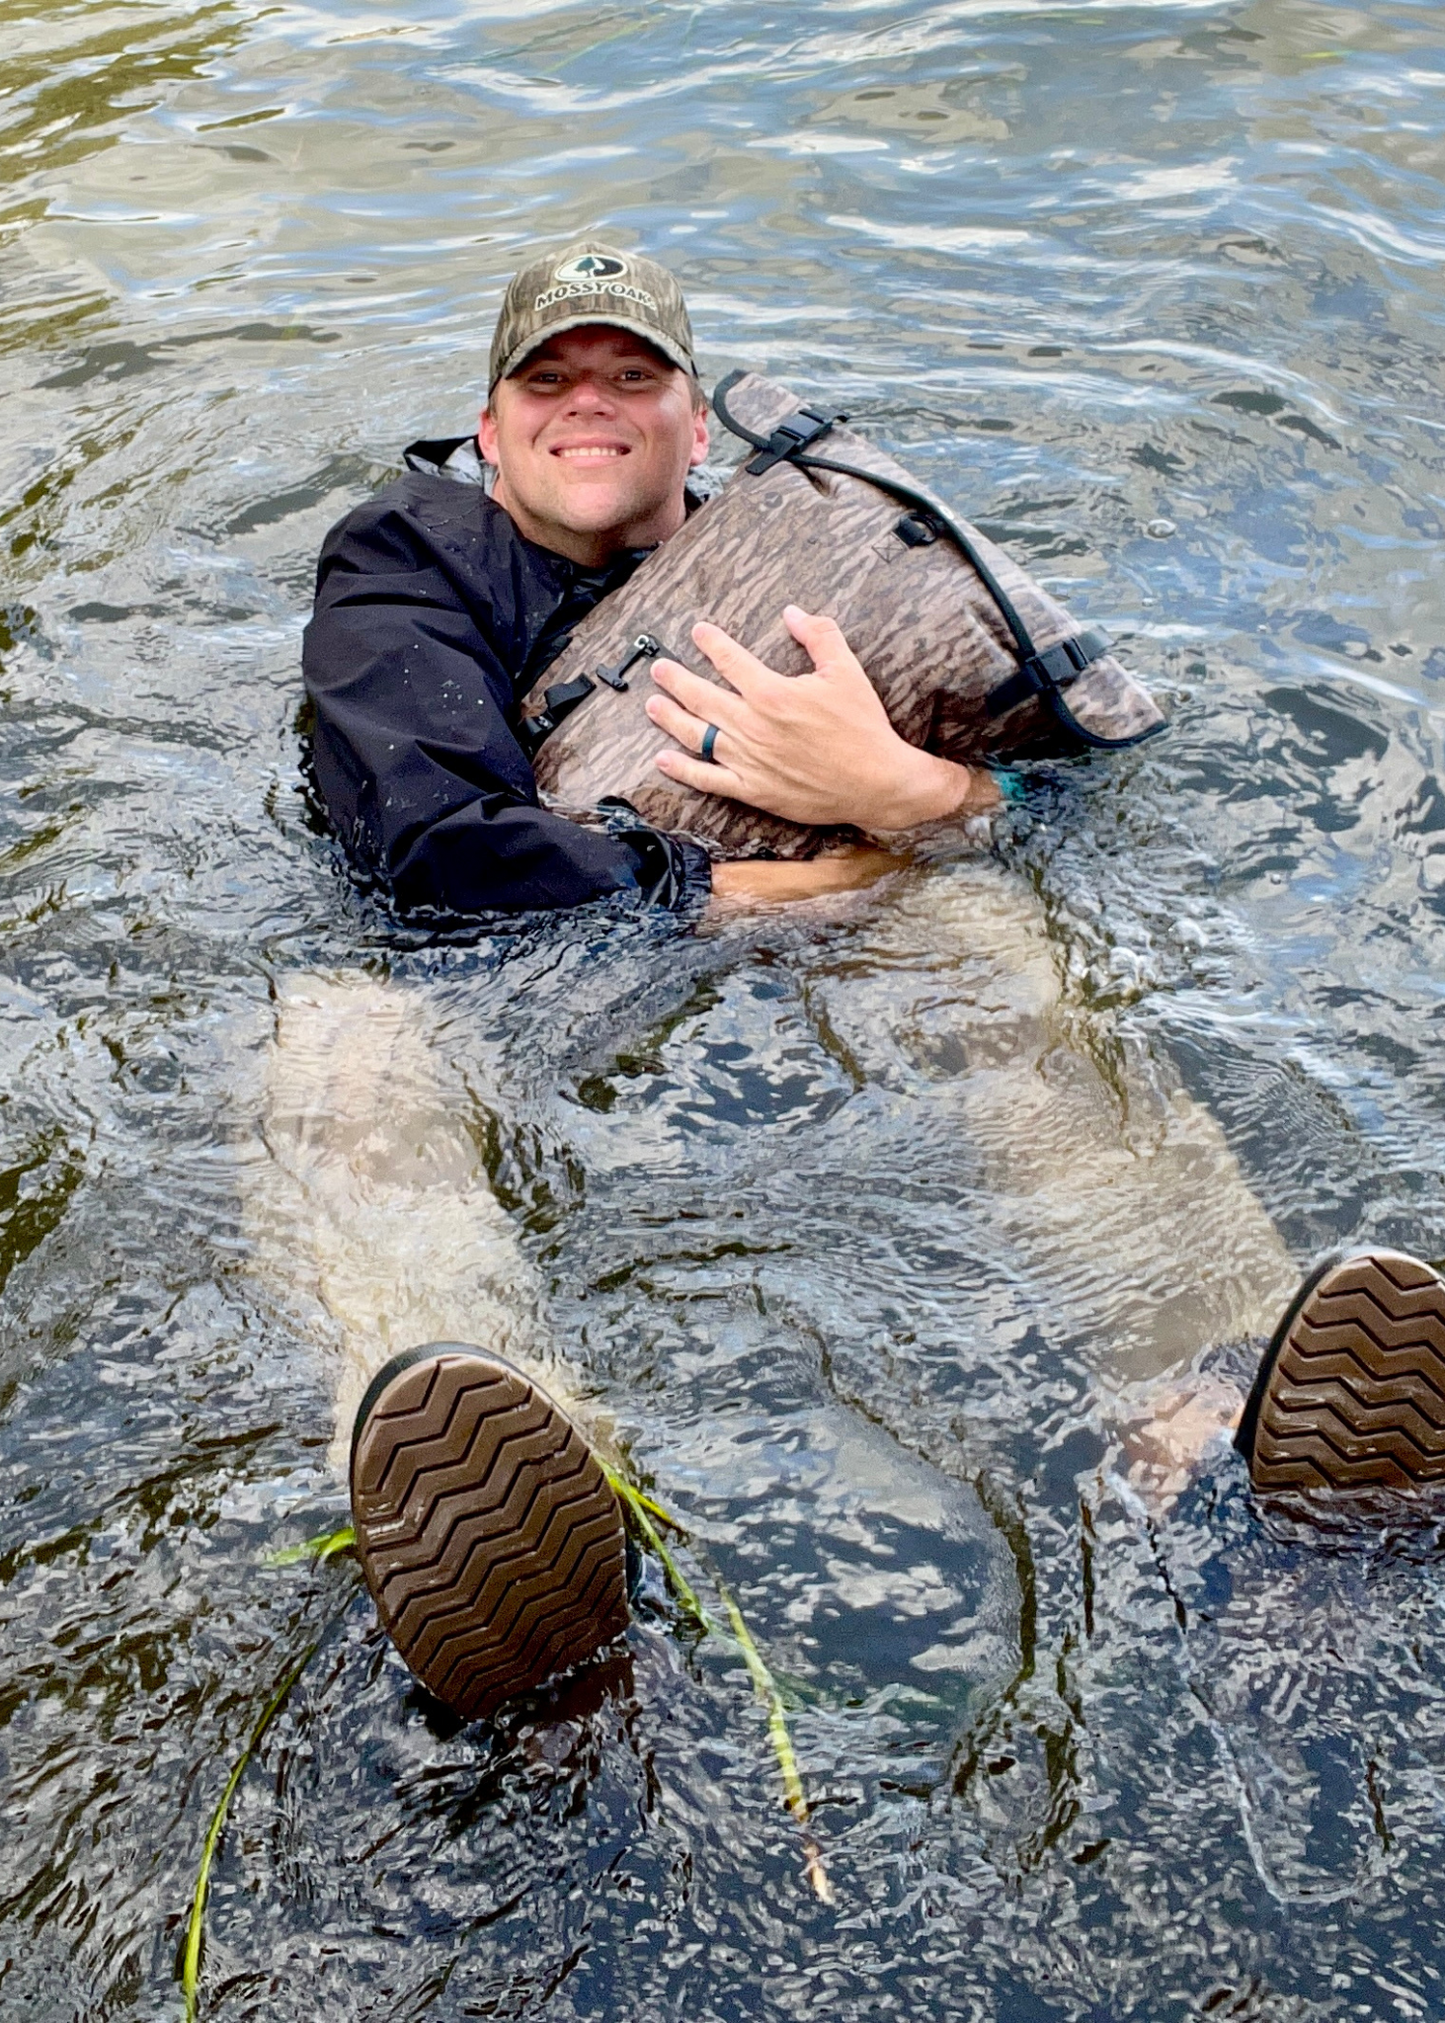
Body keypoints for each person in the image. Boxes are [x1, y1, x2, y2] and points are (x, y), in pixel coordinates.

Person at [298, 241, 1445, 1726]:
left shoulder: (834, 568)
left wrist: (902, 787)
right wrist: (773, 881)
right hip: (483, 974)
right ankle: (529, 1531)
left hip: (798, 932)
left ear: (698, 426)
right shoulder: (402, 555)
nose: (593, 403)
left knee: (986, 947)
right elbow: (427, 848)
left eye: (634, 375)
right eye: (551, 378)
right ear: (493, 422)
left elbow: (1081, 808)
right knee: (331, 1050)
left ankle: (1220, 1409)